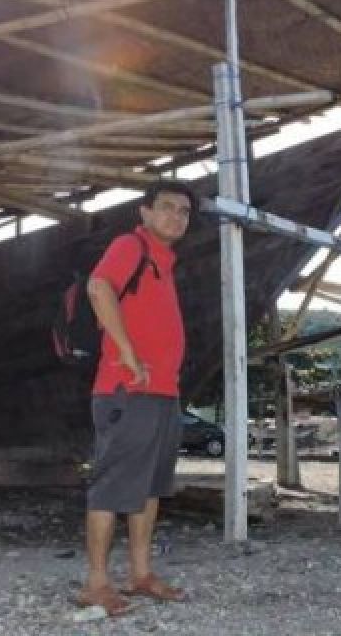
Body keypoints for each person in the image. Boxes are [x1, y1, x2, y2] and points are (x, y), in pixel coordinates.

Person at [77, 179, 195, 615]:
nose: (176, 217)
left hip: (164, 393)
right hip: (127, 389)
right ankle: (96, 583)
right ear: (144, 213)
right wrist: (128, 353)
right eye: (166, 207)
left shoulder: (164, 263)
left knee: (149, 488)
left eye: (184, 212)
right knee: (111, 486)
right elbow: (98, 287)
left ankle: (141, 575)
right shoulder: (131, 246)